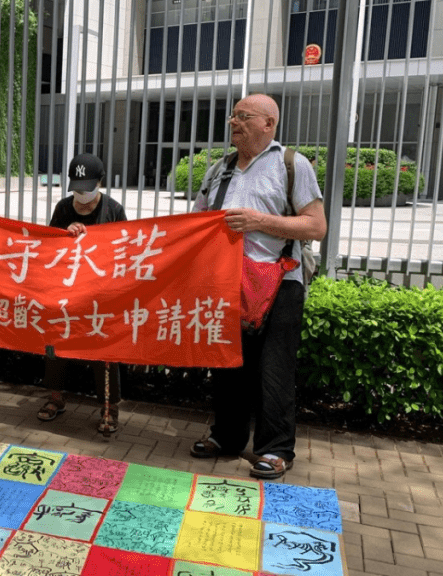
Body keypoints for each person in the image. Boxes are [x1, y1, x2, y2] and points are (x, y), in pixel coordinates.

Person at [189, 93, 327, 479]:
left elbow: (316, 226)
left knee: (274, 370)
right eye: (232, 116)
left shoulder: (291, 165)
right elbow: (197, 218)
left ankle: (276, 449)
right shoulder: (220, 168)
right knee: (228, 364)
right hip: (228, 283)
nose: (234, 122)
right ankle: (227, 437)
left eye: (243, 116)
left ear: (268, 123)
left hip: (279, 282)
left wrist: (258, 221)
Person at [35, 153, 126, 434]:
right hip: (67, 291)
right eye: (77, 188)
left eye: (87, 188)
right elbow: (47, 247)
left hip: (101, 293)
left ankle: (109, 408)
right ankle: (55, 397)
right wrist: (65, 234)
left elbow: (124, 249)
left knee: (104, 350)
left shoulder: (113, 210)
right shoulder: (63, 208)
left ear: (100, 182)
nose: (82, 195)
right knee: (56, 343)